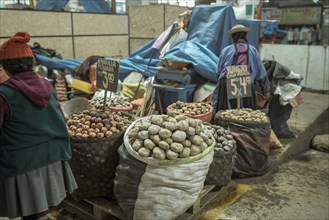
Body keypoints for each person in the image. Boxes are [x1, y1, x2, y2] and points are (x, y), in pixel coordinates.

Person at [0, 32, 77, 220]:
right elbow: (60, 117)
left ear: (5, 67)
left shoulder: (4, 94)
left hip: (23, 165)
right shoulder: (47, 85)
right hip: (54, 159)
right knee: (38, 213)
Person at [212, 24, 271, 115]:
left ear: (233, 37)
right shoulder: (253, 50)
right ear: (245, 36)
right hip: (245, 83)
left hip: (226, 84)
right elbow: (261, 74)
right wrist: (266, 90)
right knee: (247, 114)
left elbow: (218, 72)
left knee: (225, 114)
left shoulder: (226, 50)